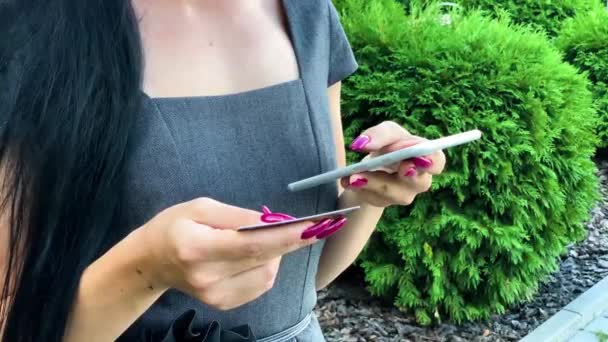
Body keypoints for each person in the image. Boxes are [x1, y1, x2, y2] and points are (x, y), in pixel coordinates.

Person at [0, 0, 446, 341]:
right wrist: (147, 269)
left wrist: (370, 193)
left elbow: (307, 274)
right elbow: (12, 322)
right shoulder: (37, 27)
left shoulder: (308, 14)